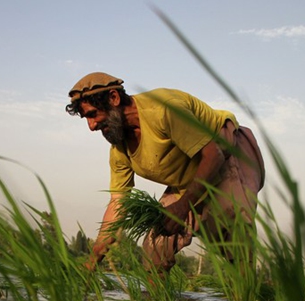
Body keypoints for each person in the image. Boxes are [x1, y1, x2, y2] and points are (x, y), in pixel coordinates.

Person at [66, 72, 265, 272]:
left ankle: (245, 300)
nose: (91, 126)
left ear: (114, 98)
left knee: (236, 245)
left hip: (228, 154)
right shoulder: (119, 149)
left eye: (92, 114)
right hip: (189, 177)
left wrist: (182, 207)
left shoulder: (164, 110)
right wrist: (91, 263)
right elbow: (118, 203)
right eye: (86, 119)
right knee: (155, 248)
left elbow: (213, 156)